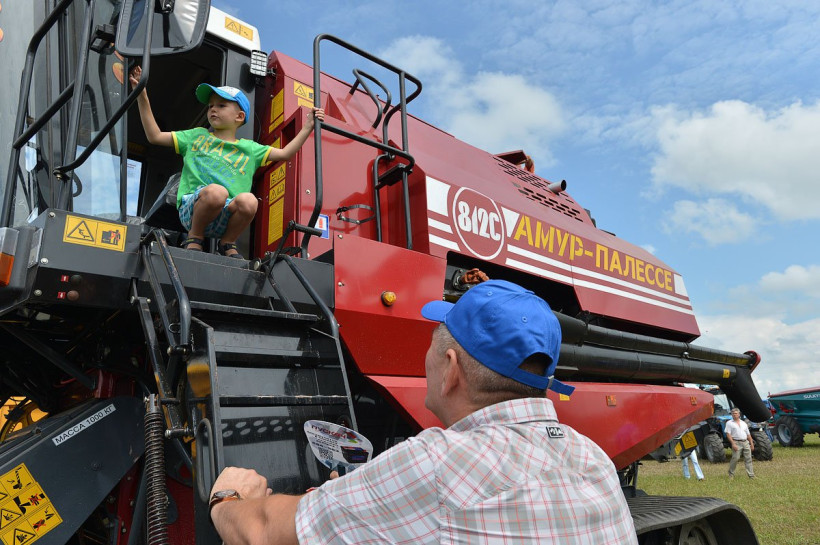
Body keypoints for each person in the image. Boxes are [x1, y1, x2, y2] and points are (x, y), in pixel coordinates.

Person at [208, 279, 638, 544]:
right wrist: (353, 501)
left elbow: (261, 531)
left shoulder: (435, 463)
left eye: (432, 341)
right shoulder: (592, 458)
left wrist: (227, 498)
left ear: (451, 370)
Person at [129, 66, 324, 258]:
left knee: (249, 200)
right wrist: (141, 94)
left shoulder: (250, 149)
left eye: (221, 105)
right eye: (210, 106)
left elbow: (286, 153)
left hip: (226, 216)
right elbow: (154, 136)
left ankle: (227, 242)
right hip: (193, 210)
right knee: (217, 192)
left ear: (239, 116)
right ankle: (194, 237)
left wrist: (308, 126)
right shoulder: (196, 136)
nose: (213, 109)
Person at [725, 408, 755, 479]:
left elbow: (748, 434)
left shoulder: (743, 423)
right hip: (736, 442)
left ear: (739, 414)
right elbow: (728, 434)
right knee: (735, 458)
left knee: (748, 459)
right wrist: (733, 444)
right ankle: (731, 474)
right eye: (733, 414)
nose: (734, 415)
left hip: (745, 442)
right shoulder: (729, 423)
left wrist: (751, 444)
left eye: (735, 413)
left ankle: (751, 475)